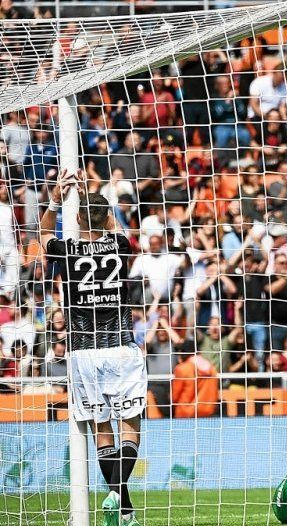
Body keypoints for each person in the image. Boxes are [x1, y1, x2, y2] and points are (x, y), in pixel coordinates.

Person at [42, 170, 146, 526]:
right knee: (130, 424)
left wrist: (58, 200)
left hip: (83, 351)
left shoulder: (68, 249)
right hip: (120, 345)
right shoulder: (120, 246)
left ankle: (125, 509)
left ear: (76, 218)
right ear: (106, 218)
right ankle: (119, 496)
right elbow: (114, 227)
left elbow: (41, 237)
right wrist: (94, 199)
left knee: (102, 429)